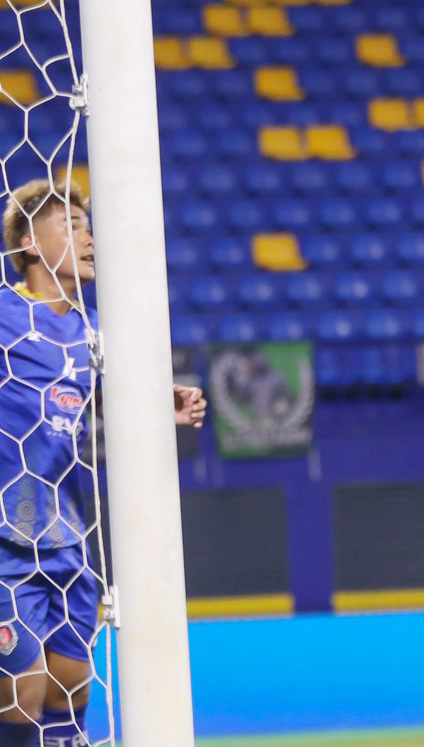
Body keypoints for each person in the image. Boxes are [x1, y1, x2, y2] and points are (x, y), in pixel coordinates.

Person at [0, 180, 205, 747]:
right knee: (24, 696)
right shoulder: (5, 312)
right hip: (4, 541)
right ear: (28, 244)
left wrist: (162, 399)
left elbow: (116, 391)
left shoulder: (91, 334)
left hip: (66, 537)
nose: (89, 238)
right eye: (71, 226)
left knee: (71, 693)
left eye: (89, 226)